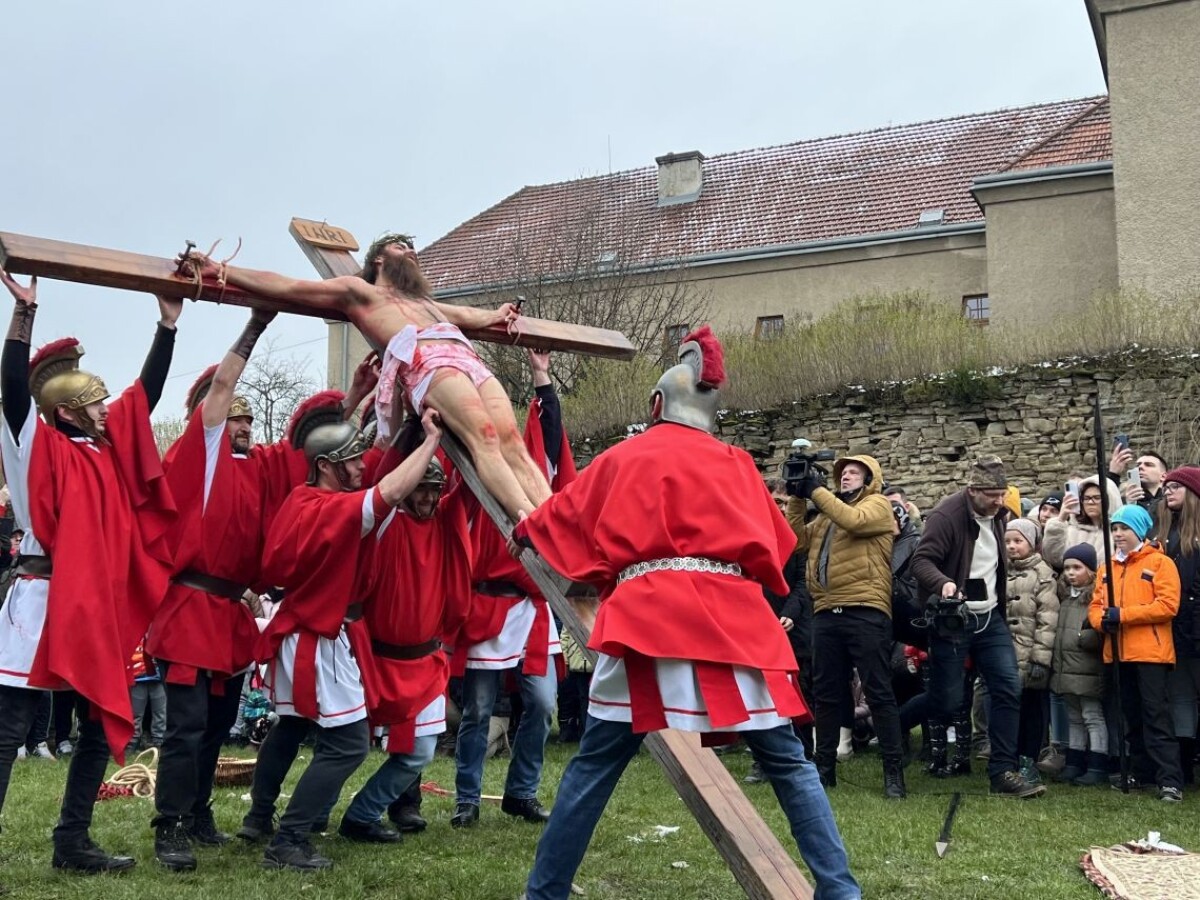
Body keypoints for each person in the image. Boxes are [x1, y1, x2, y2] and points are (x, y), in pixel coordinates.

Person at [511, 326, 860, 900]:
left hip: (650, 618)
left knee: (595, 766)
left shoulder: (625, 456)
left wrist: (525, 530)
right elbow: (778, 547)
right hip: (735, 624)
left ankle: (544, 893)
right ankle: (840, 891)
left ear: (657, 404)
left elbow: (561, 515)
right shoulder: (738, 463)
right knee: (789, 763)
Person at [0, 269, 179, 872]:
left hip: (91, 603)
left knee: (99, 726)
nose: (108, 409)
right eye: (96, 402)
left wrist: (167, 324)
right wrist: (24, 317)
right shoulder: (35, 449)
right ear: (71, 411)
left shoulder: (105, 453)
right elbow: (13, 395)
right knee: (11, 726)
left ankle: (71, 843)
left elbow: (143, 397)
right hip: (42, 599)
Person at [178, 235, 550, 520]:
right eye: (400, 246)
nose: (410, 251)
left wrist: (499, 314)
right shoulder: (361, 292)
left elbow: (472, 317)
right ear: (379, 259)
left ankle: (556, 518)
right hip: (428, 362)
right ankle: (530, 521)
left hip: (466, 358)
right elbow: (289, 286)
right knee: (484, 436)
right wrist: (222, 271)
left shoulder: (428, 304)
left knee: (511, 439)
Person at [146, 309, 319, 872]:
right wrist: (254, 327)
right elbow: (221, 389)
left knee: (217, 727)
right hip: (190, 609)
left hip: (229, 616)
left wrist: (362, 397)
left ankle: (198, 813)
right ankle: (167, 826)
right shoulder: (199, 457)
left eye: (249, 420)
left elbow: (310, 450)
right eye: (234, 418)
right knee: (186, 726)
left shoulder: (254, 468)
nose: (244, 425)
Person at [249, 391, 443, 871]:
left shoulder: (304, 499)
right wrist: (432, 440)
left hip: (311, 630)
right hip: (321, 636)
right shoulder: (326, 510)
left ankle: (259, 817)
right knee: (349, 744)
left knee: (291, 727)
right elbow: (390, 491)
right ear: (325, 466)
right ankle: (289, 839)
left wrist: (408, 423)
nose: (362, 466)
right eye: (352, 460)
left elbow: (381, 472)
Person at [450, 349, 573, 829]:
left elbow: (550, 441)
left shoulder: (527, 466)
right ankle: (466, 797)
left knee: (542, 706)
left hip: (533, 607)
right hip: (490, 603)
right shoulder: (477, 463)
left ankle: (520, 792)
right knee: (478, 710)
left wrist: (541, 375)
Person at [335, 455, 472, 844]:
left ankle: (361, 815)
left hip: (425, 663)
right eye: (421, 488)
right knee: (344, 747)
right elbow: (384, 478)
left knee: (419, 753)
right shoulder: (385, 520)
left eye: (434, 489)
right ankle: (305, 815)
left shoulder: (445, 520)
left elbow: (471, 491)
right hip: (375, 660)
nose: (428, 497)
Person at [910, 455, 1045, 798]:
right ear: (973, 490)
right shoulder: (947, 515)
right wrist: (943, 584)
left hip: (989, 617)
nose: (1001, 501)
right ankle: (895, 723)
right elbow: (921, 560)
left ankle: (1003, 772)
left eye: (1003, 494)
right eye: (993, 495)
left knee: (1007, 687)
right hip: (954, 621)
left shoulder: (997, 516)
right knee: (947, 699)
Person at [786, 454, 905, 798]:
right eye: (843, 473)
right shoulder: (824, 518)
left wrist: (817, 491)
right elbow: (794, 541)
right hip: (825, 611)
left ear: (869, 480)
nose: (846, 477)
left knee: (879, 691)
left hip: (865, 609)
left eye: (854, 473)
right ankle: (824, 770)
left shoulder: (878, 505)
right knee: (825, 695)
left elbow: (853, 521)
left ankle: (893, 774)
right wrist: (797, 496)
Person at [1087, 505, 1184, 802]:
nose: (1117, 534)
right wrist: (1101, 621)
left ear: (1139, 531)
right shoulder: (1107, 569)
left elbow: (1168, 605)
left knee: (1156, 716)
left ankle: (1169, 779)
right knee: (1130, 716)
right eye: (1114, 529)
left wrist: (1123, 615)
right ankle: (1140, 772)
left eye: (1124, 529)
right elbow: (1095, 606)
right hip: (1117, 652)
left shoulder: (1160, 563)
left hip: (1151, 653)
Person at [1002, 518, 1059, 785]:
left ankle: (1028, 759)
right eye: (1008, 541)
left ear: (1031, 543)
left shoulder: (1043, 574)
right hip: (1007, 653)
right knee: (1008, 707)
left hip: (1032, 654)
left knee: (1032, 710)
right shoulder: (1003, 572)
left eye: (1017, 541)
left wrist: (1040, 658)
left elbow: (1047, 619)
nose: (1012, 547)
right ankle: (1008, 757)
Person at [1048, 543, 1107, 785]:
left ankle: (1097, 763)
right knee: (1073, 717)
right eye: (1067, 568)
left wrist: (1086, 638)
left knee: (1092, 716)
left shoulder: (1094, 599)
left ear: (1091, 571)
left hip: (1088, 669)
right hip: (1066, 669)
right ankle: (1074, 761)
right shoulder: (1064, 599)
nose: (1071, 573)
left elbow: (1099, 631)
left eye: (1077, 567)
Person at [1157, 467, 1200, 783]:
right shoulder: (1165, 534)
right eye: (1165, 487)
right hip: (1176, 627)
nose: (1168, 491)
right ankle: (1183, 767)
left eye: (1175, 487)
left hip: (1196, 624)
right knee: (1181, 697)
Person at [1042, 476, 1123, 572]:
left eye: (1097, 498)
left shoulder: (1119, 531)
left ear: (1110, 499)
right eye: (1086, 498)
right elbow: (1054, 559)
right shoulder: (1072, 530)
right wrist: (1061, 518)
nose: (1090, 502)